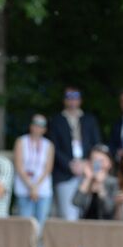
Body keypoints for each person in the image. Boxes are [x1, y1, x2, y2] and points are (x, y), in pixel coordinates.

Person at [50, 88, 103, 220]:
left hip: (88, 171)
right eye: (69, 98)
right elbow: (53, 148)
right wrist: (69, 165)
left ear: (80, 101)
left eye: (75, 98)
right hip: (65, 173)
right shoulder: (57, 120)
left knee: (87, 212)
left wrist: (88, 164)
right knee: (68, 213)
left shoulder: (89, 120)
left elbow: (97, 145)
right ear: (65, 101)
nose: (72, 101)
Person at [13, 115, 55, 232]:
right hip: (24, 187)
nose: (37, 128)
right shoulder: (21, 141)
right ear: (31, 126)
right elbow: (19, 165)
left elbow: (48, 168)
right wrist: (31, 186)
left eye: (41, 126)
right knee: (25, 224)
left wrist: (35, 186)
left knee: (41, 224)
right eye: (35, 125)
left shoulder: (48, 145)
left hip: (42, 189)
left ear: (44, 129)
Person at [72, 145, 118, 220]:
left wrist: (100, 186)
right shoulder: (86, 180)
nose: (98, 164)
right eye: (94, 160)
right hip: (85, 225)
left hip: (106, 227)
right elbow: (76, 202)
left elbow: (109, 209)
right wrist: (87, 179)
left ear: (110, 163)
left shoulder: (113, 182)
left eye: (101, 161)